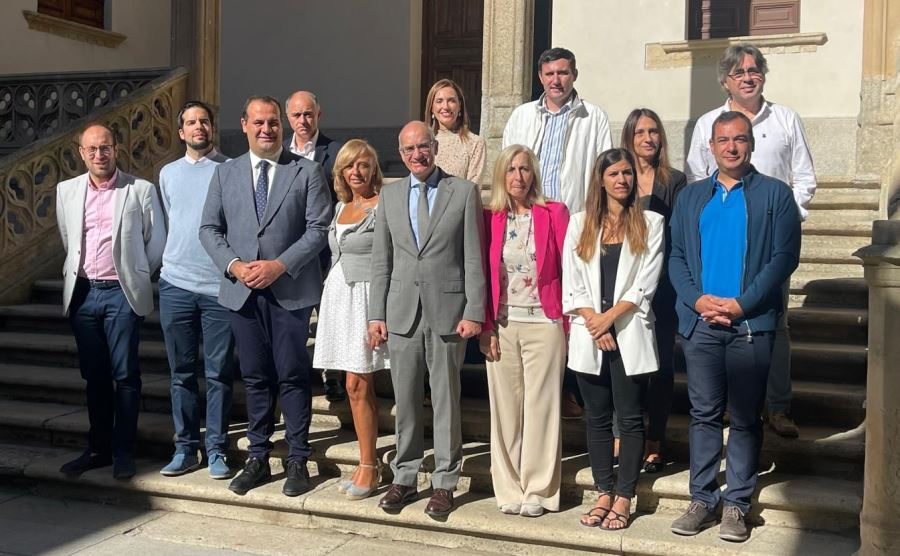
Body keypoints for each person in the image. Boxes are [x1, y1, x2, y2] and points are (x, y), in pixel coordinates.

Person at [669, 112, 800, 542]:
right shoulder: (691, 198)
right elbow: (677, 258)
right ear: (711, 146)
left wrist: (743, 304)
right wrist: (696, 299)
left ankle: (737, 505)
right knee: (704, 414)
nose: (731, 147)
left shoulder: (775, 195)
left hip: (751, 326)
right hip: (702, 324)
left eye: (739, 139)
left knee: (745, 418)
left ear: (751, 144)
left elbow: (783, 259)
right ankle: (702, 498)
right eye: (723, 140)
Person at [199, 95, 332, 497]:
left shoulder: (305, 172)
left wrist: (279, 265)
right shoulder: (225, 174)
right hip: (242, 291)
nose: (266, 129)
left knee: (292, 376)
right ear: (244, 125)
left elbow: (318, 229)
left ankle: (297, 459)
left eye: (273, 122)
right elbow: (209, 229)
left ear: (281, 125)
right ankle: (257, 456)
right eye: (258, 122)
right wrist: (235, 266)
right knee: (255, 377)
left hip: (289, 290)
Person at [685, 44, 814, 439]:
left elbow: (804, 178)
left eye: (754, 70)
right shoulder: (708, 122)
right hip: (721, 244)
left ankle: (777, 407)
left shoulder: (786, 119)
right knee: (719, 323)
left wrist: (788, 220)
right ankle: (729, 403)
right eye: (738, 71)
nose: (747, 76)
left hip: (772, 245)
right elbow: (695, 180)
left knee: (774, 324)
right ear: (725, 80)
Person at [368, 121, 484, 518]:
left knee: (447, 400)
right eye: (409, 149)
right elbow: (381, 260)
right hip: (401, 314)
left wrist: (474, 310)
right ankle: (404, 476)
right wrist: (375, 314)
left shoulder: (463, 192)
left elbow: (473, 257)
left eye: (423, 146)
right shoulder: (390, 194)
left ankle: (445, 481)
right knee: (406, 400)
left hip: (449, 313)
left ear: (435, 147)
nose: (417, 154)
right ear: (400, 154)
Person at [502, 47, 613, 419]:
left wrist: (594, 223)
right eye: (550, 74)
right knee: (539, 306)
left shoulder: (593, 117)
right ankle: (539, 388)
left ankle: (569, 390)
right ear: (540, 77)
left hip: (572, 222)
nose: (556, 80)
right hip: (526, 223)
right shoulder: (521, 116)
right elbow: (506, 166)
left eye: (563, 73)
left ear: (574, 75)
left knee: (569, 304)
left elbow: (600, 173)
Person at [56, 122, 166, 480]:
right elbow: (68, 238)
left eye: (105, 148)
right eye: (92, 149)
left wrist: (134, 274)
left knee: (126, 375)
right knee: (95, 377)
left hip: (121, 293)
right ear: (81, 153)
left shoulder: (140, 190)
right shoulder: (66, 191)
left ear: (116, 149)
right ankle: (98, 449)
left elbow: (157, 242)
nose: (100, 155)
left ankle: (124, 452)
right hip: (84, 295)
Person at [563, 148, 664, 530]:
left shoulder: (651, 223)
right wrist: (594, 323)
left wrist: (607, 320)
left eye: (626, 173)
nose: (621, 180)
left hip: (628, 331)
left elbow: (645, 285)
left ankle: (625, 495)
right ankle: (603, 490)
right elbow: (572, 283)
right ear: (600, 180)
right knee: (598, 419)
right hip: (592, 335)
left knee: (632, 418)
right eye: (614, 174)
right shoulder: (580, 224)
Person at [479, 144, 569, 517]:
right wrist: (486, 327)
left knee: (542, 408)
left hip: (545, 323)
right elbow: (480, 276)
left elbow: (571, 269)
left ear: (534, 174)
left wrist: (569, 322)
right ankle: (509, 487)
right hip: (504, 323)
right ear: (501, 175)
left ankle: (540, 490)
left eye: (525, 169)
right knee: (505, 410)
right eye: (511, 169)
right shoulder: (490, 219)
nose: (518, 176)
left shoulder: (554, 213)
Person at [157, 101, 235, 480]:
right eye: (191, 122)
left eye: (204, 120)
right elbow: (172, 220)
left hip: (219, 286)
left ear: (212, 127)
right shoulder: (167, 174)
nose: (198, 127)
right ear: (180, 131)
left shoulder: (232, 169)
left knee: (219, 372)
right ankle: (186, 447)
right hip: (175, 284)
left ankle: (217, 449)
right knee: (181, 373)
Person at [312, 139, 389, 500]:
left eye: (363, 165)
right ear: (340, 172)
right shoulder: (341, 207)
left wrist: (383, 312)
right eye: (349, 166)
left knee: (359, 385)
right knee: (352, 386)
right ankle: (364, 462)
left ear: (374, 168)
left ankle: (371, 467)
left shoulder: (384, 205)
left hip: (367, 299)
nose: (356, 172)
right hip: (339, 297)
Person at [620, 108, 688, 473]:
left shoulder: (674, 180)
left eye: (654, 132)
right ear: (629, 138)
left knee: (660, 364)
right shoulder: (618, 176)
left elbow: (677, 237)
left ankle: (655, 437)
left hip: (661, 285)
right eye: (640, 132)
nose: (648, 138)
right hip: (621, 284)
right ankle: (623, 431)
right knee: (623, 361)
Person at [284, 89, 346, 402]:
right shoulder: (279, 152)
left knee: (329, 315)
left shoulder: (335, 152)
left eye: (308, 114)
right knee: (294, 318)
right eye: (297, 115)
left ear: (318, 114)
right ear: (288, 118)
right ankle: (296, 374)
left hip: (326, 250)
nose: (303, 120)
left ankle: (332, 375)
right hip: (289, 251)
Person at [425, 78, 486, 183]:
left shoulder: (475, 143)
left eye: (451, 101)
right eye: (439, 101)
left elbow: (473, 189)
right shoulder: (423, 142)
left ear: (459, 106)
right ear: (431, 107)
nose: (446, 106)